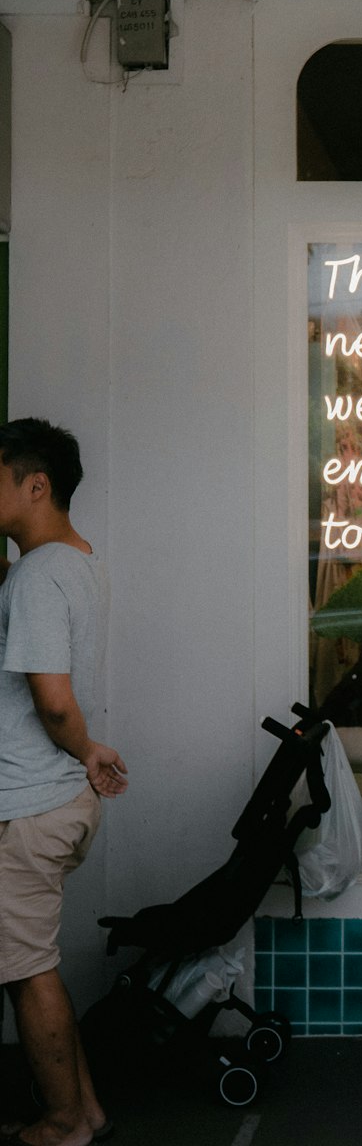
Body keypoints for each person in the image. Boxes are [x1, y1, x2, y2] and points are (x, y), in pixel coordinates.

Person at [0, 419, 127, 1146]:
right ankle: (87, 1108)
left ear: (35, 485)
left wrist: (85, 748)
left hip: (29, 804)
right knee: (34, 964)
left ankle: (66, 1122)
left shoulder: (41, 575)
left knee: (26, 973)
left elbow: (52, 701)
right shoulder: (73, 563)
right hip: (52, 797)